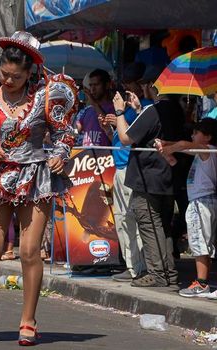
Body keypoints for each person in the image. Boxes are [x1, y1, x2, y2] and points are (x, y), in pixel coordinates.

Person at [0, 31, 76, 345]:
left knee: (28, 251)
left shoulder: (45, 97)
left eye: (16, 76)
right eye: (3, 74)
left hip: (36, 176)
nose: (8, 80)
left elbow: (65, 132)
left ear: (29, 74)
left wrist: (59, 156)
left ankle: (28, 320)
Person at [112, 90, 191, 287]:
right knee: (163, 228)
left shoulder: (155, 110)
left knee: (149, 225)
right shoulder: (176, 112)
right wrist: (139, 110)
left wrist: (120, 112)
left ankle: (157, 274)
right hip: (167, 177)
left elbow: (125, 138)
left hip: (148, 177)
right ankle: (168, 273)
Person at [157, 119, 216, 297]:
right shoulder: (202, 152)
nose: (192, 136)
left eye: (196, 133)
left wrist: (169, 147)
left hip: (201, 201)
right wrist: (167, 145)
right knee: (203, 242)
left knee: (199, 242)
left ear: (207, 137)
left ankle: (202, 283)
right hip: (202, 200)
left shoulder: (208, 150)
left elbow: (183, 145)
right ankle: (202, 280)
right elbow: (181, 147)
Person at [106, 63, 154, 282]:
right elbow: (119, 137)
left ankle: (138, 266)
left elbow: (131, 136)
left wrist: (119, 115)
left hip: (130, 168)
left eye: (131, 83)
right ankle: (131, 264)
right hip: (119, 166)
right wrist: (112, 125)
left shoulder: (144, 107)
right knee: (122, 219)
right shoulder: (126, 109)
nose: (127, 88)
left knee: (131, 218)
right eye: (124, 83)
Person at [78, 69, 116, 147]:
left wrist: (94, 103)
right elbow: (77, 129)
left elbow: (106, 124)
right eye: (91, 85)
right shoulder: (88, 110)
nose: (92, 89)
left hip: (105, 157)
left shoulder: (114, 108)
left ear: (107, 85)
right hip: (86, 156)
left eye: (96, 85)